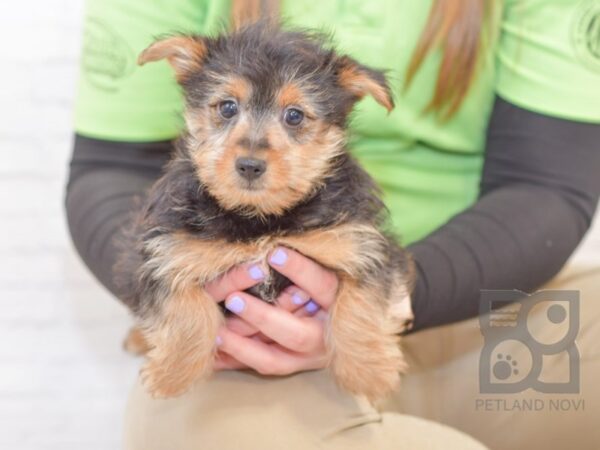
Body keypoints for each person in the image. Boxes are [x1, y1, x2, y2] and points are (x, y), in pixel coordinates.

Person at [65, 0, 600, 448]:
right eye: (225, 110)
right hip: (243, 360)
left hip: (487, 319)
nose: (252, 150)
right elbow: (109, 172)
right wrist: (172, 304)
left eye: (295, 118)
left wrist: (390, 298)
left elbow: (546, 187)